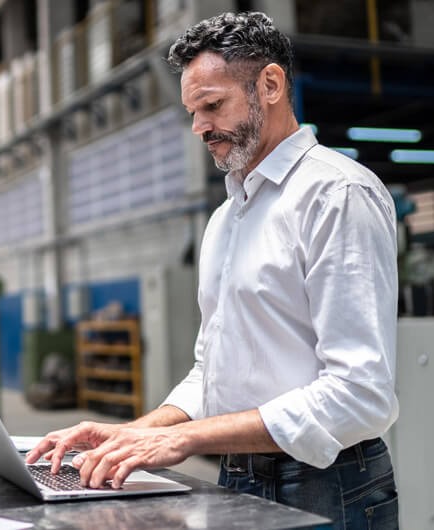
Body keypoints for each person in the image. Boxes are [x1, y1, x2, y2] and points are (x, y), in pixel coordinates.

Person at [27, 11, 399, 529]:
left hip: (326, 484)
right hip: (238, 472)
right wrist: (136, 432)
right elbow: (213, 373)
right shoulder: (229, 216)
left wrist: (183, 440)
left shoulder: (337, 195)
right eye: (192, 111)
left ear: (269, 84)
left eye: (212, 105)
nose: (200, 127)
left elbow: (360, 395)